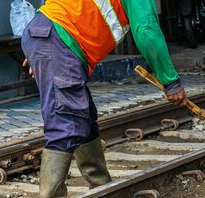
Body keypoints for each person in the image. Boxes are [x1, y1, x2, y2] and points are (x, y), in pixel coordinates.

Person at [21, 0, 187, 197]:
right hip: (57, 37)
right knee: (65, 124)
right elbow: (146, 30)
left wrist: (41, 49)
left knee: (84, 117)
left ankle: (101, 187)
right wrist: (170, 81)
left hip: (48, 33)